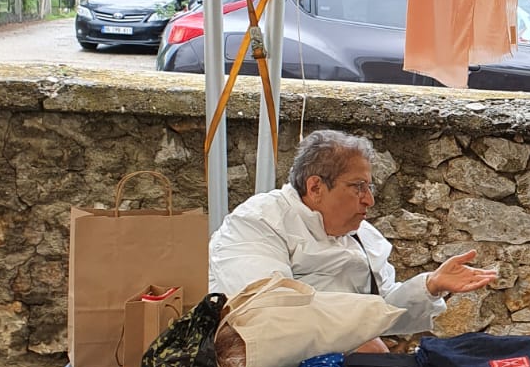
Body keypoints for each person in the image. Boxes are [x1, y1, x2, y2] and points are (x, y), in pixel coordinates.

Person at [209, 129, 496, 345]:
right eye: (358, 187)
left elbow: (383, 312)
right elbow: (269, 313)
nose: (369, 200)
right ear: (315, 187)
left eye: (369, 187)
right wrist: (352, 341)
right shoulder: (257, 223)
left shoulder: (361, 234)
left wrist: (430, 285)